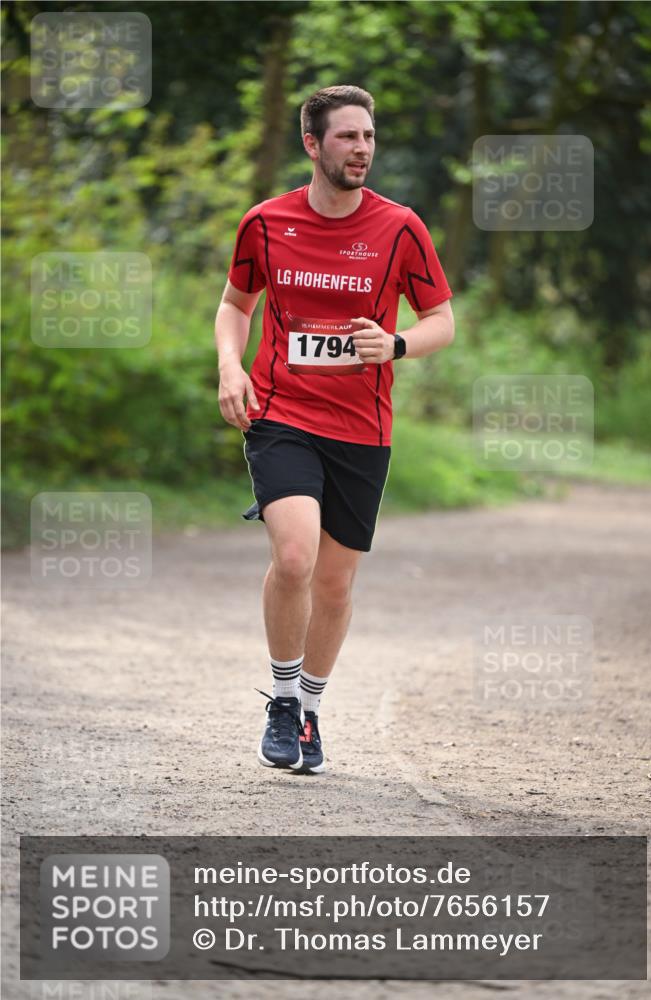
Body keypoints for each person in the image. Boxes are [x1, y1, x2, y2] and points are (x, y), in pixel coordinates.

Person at [215, 84, 454, 775]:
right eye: (348, 136)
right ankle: (283, 702)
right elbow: (235, 305)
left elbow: (441, 320)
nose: (362, 149)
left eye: (368, 137)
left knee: (334, 585)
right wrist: (230, 367)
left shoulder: (400, 228)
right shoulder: (265, 222)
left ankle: (311, 711)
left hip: (361, 426)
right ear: (312, 144)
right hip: (281, 413)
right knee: (294, 558)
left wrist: (397, 344)